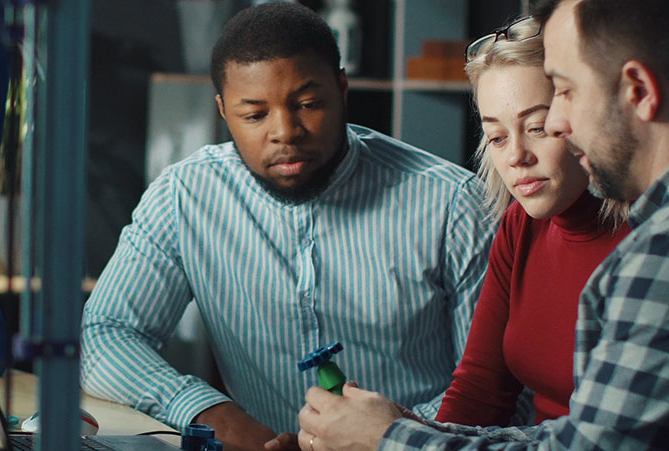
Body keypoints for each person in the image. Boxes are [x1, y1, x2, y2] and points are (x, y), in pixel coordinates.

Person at [294, 1, 669, 449]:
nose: (561, 124)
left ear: (638, 89)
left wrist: (390, 440)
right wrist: (408, 431)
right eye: (496, 136)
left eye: (563, 92)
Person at [80, 3, 494, 450]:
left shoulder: (452, 203)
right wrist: (212, 414)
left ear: (341, 89)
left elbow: (497, 391)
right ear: (222, 110)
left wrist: (385, 436)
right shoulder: (185, 195)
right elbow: (105, 334)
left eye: (308, 104)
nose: (285, 132)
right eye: (255, 115)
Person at [432, 15, 630, 429]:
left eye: (537, 128)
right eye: (498, 138)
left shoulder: (650, 240)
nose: (516, 156)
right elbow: (480, 391)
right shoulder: (520, 226)